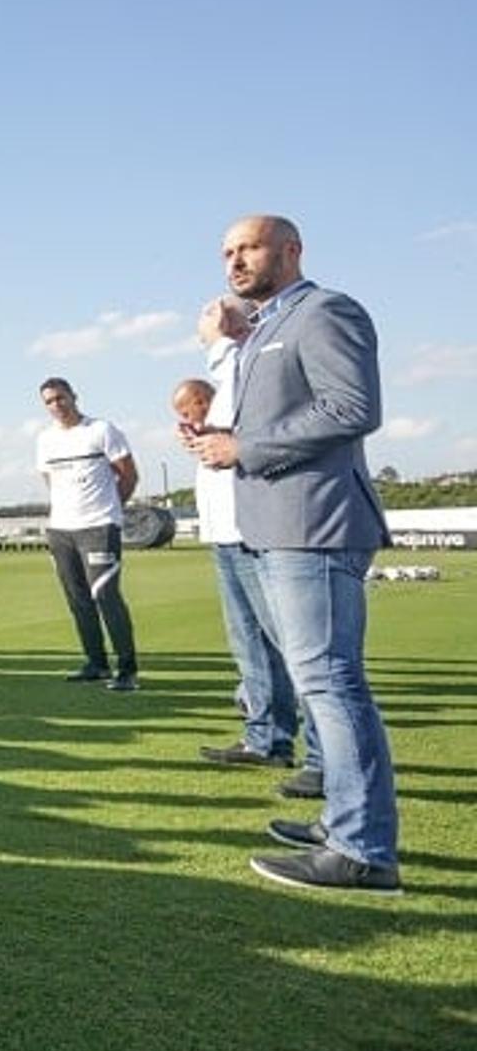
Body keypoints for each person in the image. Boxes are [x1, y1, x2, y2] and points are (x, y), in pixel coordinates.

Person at [184, 215, 399, 894]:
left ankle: (361, 848)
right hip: (277, 526)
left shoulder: (325, 311)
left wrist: (247, 449)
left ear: (290, 249)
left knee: (331, 685)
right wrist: (220, 438)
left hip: (316, 525)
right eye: (226, 252)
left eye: (247, 247)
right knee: (322, 684)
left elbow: (352, 407)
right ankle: (344, 819)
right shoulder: (262, 330)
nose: (234, 262)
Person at [175, 298, 319, 784]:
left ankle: (321, 758)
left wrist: (219, 340)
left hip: (256, 528)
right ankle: (267, 738)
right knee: (252, 646)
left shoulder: (248, 362)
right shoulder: (232, 373)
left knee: (293, 647)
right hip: (227, 532)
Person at [35, 377, 140, 690]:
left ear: (73, 396)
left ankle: (127, 670)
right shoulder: (45, 440)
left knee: (106, 595)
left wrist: (110, 509)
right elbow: (50, 480)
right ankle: (96, 663)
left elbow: (129, 475)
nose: (57, 405)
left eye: (61, 398)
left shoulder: (101, 430)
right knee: (78, 600)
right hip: (61, 530)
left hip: (98, 526)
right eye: (50, 401)